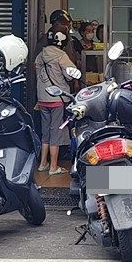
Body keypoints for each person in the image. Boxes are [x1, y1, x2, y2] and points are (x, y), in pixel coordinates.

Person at [34, 28, 82, 175]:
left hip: (42, 98)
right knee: (56, 132)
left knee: (45, 132)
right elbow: (71, 74)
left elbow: (36, 72)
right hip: (57, 99)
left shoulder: (40, 55)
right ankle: (53, 166)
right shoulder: (61, 56)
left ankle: (43, 164)